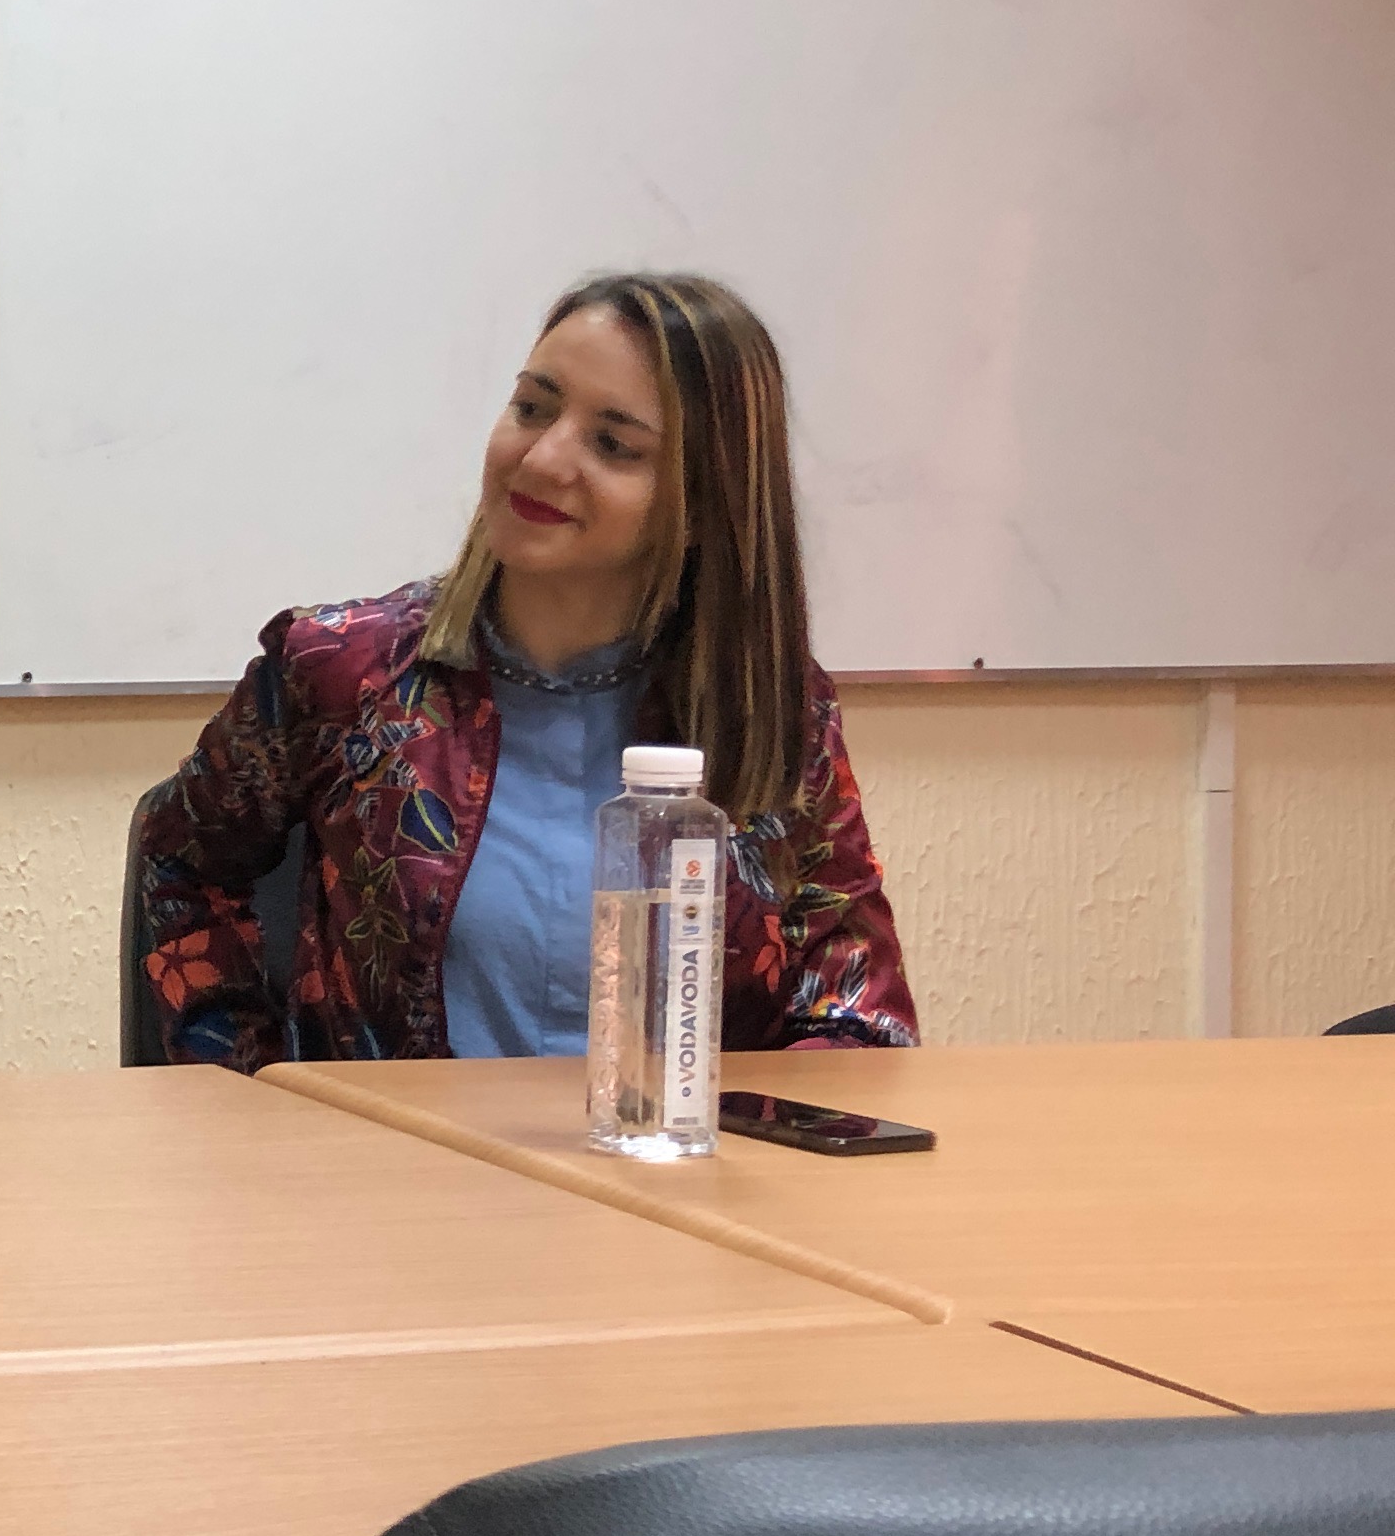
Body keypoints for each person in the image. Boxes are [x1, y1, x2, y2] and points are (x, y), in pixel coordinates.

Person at [136, 270, 915, 1068]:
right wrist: (253, 1085)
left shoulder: (771, 710)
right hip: (397, 1148)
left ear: (703, 507)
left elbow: (858, 1009)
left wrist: (771, 1125)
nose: (541, 459)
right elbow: (181, 864)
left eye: (613, 445)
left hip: (681, 1149)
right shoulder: (342, 671)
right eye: (533, 408)